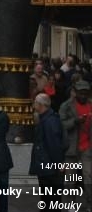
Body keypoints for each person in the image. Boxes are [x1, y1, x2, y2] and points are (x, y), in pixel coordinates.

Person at [59, 79, 92, 212]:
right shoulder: (66, 106)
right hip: (71, 148)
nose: (83, 96)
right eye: (80, 93)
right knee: (70, 180)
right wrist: (75, 121)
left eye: (86, 93)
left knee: (88, 176)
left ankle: (89, 204)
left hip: (87, 147)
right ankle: (71, 205)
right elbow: (61, 125)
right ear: (75, 92)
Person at [30, 92, 65, 210]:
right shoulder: (45, 119)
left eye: (35, 102)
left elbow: (54, 145)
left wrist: (58, 164)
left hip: (49, 167)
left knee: (51, 199)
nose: (34, 104)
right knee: (47, 198)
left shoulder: (49, 121)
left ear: (41, 105)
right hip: (46, 165)